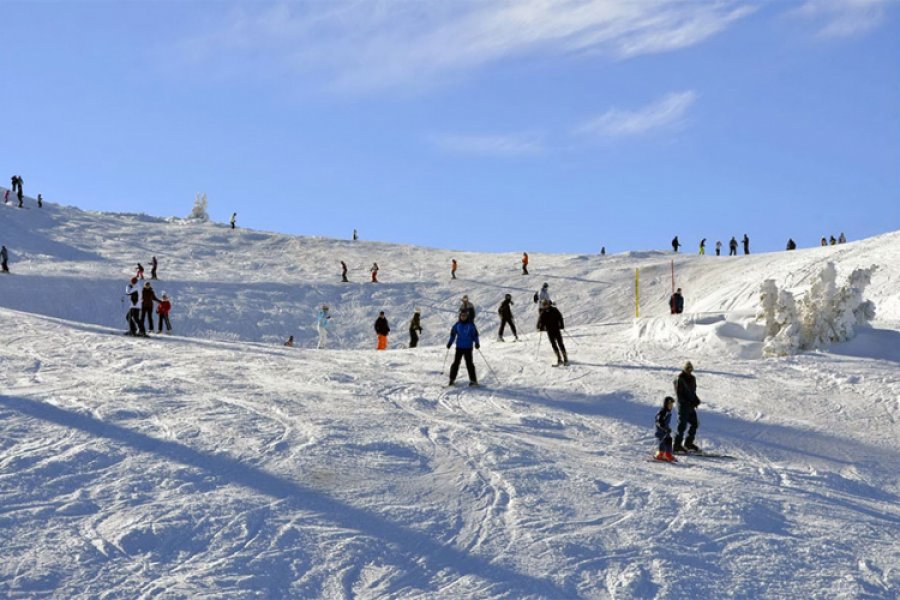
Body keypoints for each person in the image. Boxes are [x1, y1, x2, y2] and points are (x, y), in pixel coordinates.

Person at [447, 309, 480, 386]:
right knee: (456, 363)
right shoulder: (457, 325)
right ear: (460, 316)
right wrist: (450, 343)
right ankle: (452, 379)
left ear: (467, 316)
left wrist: (477, 343)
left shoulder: (471, 325)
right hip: (459, 347)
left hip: (468, 347)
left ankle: (473, 380)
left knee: (469, 364)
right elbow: (453, 334)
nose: (463, 317)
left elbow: (475, 335)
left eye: (465, 316)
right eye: (462, 315)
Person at [673, 361, 701, 452]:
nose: (689, 370)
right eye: (687, 369)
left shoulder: (693, 378)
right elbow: (679, 394)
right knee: (682, 425)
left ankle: (688, 443)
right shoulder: (679, 379)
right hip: (683, 406)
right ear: (684, 369)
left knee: (695, 423)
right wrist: (686, 403)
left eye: (690, 369)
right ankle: (677, 445)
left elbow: (692, 392)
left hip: (690, 406)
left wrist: (696, 399)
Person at [537, 299, 568, 366]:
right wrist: (540, 327)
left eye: (546, 304)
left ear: (549, 304)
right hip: (549, 330)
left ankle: (565, 358)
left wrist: (562, 325)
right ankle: (559, 358)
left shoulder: (554, 310)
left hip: (556, 329)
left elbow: (560, 317)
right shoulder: (543, 312)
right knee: (553, 344)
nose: (545, 306)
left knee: (560, 343)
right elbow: (541, 321)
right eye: (544, 305)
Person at [654, 397, 677, 462]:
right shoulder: (663, 411)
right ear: (666, 404)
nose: (671, 406)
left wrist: (667, 428)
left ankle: (662, 454)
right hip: (660, 431)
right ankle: (667, 455)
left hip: (664, 431)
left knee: (665, 441)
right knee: (667, 440)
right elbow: (659, 421)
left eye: (672, 405)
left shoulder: (667, 412)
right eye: (670, 405)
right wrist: (664, 428)